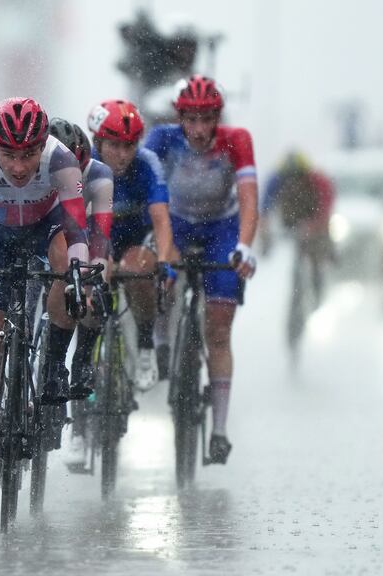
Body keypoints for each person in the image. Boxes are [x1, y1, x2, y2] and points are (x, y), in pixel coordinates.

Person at [0, 97, 89, 501]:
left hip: (46, 230)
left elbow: (77, 232)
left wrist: (77, 275)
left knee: (67, 267)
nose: (20, 167)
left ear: (43, 146)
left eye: (28, 154)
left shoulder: (63, 163)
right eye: (8, 155)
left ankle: (55, 363)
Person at [144, 75, 258, 464]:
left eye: (206, 119)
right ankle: (161, 344)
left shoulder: (236, 140)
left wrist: (244, 245)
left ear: (217, 118)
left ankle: (220, 431)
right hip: (175, 222)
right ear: (179, 118)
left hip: (221, 229)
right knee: (163, 278)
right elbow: (148, 190)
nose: (197, 129)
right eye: (190, 120)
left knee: (219, 328)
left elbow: (248, 199)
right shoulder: (162, 139)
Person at [83, 99, 176, 393]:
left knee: (138, 269)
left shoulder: (147, 163)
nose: (123, 155)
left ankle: (146, 346)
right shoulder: (84, 165)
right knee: (91, 282)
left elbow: (161, 219)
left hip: (135, 239)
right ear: (97, 141)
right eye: (115, 146)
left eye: (130, 145)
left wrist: (163, 262)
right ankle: (84, 359)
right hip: (97, 237)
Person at [45, 118, 114, 400]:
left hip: (76, 234)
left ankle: (82, 358)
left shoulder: (98, 173)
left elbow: (100, 235)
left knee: (93, 287)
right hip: (43, 233)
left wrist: (95, 279)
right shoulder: (32, 167)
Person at [259, 150, 336, 300]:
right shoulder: (275, 179)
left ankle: (317, 286)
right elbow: (264, 209)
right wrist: (265, 231)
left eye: (298, 177)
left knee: (318, 253)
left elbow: (326, 207)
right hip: (288, 223)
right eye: (288, 178)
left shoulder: (318, 180)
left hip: (313, 220)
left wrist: (315, 225)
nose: (293, 182)